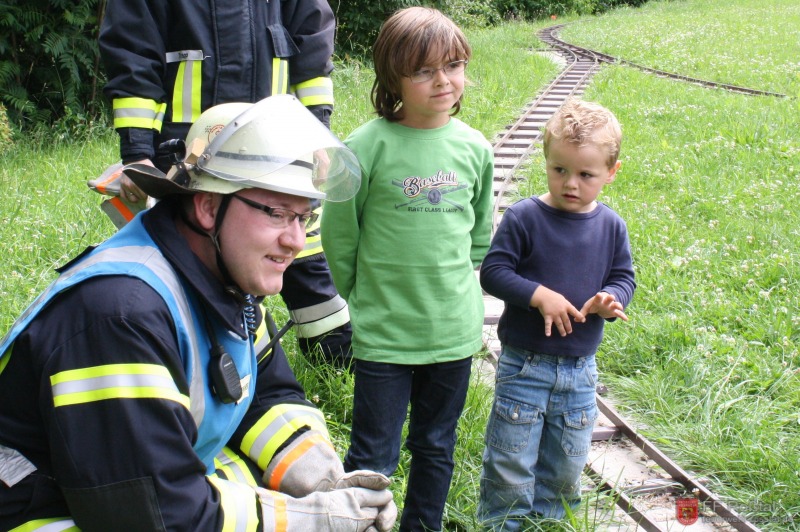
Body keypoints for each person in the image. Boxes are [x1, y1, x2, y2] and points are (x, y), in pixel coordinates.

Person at [0, 95, 397, 532]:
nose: (296, 241)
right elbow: (154, 514)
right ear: (208, 206)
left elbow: (264, 394)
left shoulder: (225, 283)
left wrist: (325, 479)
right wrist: (315, 520)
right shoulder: (121, 318)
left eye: (304, 217)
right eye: (278, 213)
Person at [96, 0, 353, 367]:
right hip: (192, 160)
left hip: (278, 153)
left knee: (302, 249)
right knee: (204, 270)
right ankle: (222, 366)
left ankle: (337, 362)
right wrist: (137, 151)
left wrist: (318, 133)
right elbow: (133, 55)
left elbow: (312, 50)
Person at [320, 7, 495, 531]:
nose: (443, 80)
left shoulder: (475, 148)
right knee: (372, 454)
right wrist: (362, 295)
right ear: (392, 75)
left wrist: (453, 288)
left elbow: (479, 234)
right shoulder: (361, 147)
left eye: (454, 65)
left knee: (436, 445)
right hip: (385, 335)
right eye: (423, 70)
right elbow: (339, 234)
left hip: (452, 334)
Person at [477, 98, 636, 529]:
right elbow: (493, 273)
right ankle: (504, 523)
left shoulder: (610, 226)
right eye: (559, 169)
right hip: (524, 366)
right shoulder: (526, 217)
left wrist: (610, 298)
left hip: (580, 371)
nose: (571, 183)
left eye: (586, 175)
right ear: (546, 161)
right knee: (510, 461)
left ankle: (549, 522)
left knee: (566, 466)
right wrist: (537, 295)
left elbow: (624, 277)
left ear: (611, 173)